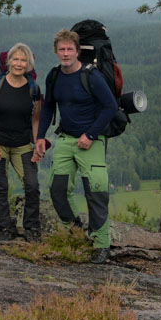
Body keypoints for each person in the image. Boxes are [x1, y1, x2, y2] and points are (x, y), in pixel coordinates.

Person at [34, 28, 118, 264]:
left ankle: (102, 244)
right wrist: (41, 136)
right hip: (65, 139)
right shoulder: (54, 76)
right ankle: (76, 234)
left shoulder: (91, 77)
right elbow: (49, 106)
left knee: (96, 189)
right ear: (55, 51)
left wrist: (90, 134)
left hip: (91, 140)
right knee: (57, 188)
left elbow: (110, 107)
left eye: (70, 49)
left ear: (77, 51)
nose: (66, 53)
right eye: (61, 49)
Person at [0, 43, 42, 241]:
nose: (19, 64)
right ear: (9, 61)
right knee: (1, 187)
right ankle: (4, 228)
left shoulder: (33, 89)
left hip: (23, 145)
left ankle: (31, 228)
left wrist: (37, 144)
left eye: (23, 60)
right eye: (16, 59)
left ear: (28, 64)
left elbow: (36, 119)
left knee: (32, 185)